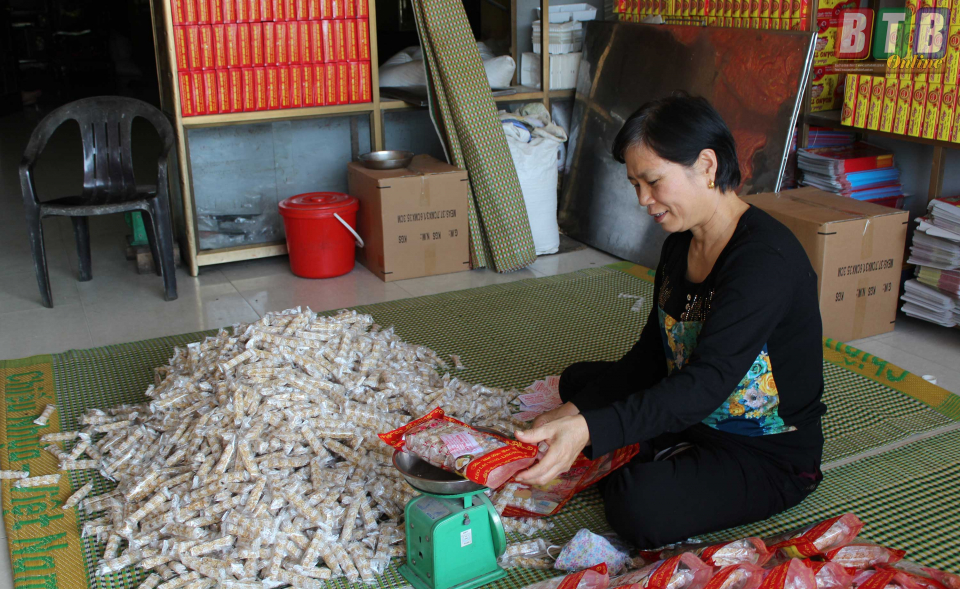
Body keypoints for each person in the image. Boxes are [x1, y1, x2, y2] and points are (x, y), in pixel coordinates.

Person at [513, 93, 826, 549]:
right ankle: (655, 447)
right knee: (579, 384)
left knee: (638, 506)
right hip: (694, 411)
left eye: (653, 181)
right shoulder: (680, 242)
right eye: (635, 184)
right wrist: (574, 413)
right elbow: (651, 357)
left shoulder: (764, 261)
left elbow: (705, 385)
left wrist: (590, 429)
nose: (643, 199)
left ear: (706, 166)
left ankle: (650, 453)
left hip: (763, 452)